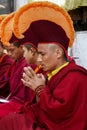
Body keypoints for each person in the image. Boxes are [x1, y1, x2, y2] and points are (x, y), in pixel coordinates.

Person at [0, 1, 87, 130]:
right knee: (10, 120)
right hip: (45, 120)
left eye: (42, 54)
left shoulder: (76, 77)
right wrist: (38, 89)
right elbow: (42, 107)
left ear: (58, 53)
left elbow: (59, 114)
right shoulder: (54, 73)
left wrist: (39, 88)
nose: (39, 59)